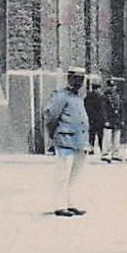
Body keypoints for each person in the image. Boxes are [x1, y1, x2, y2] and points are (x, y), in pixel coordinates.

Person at [45, 68, 90, 215]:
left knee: (75, 174)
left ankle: (71, 202)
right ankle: (59, 205)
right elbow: (51, 117)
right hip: (65, 139)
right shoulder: (61, 96)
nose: (78, 82)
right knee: (62, 174)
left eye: (81, 79)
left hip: (79, 141)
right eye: (75, 79)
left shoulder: (78, 97)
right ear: (69, 79)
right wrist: (54, 136)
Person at [102, 78, 124, 162]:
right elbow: (103, 109)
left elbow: (121, 108)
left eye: (113, 86)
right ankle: (106, 154)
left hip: (117, 119)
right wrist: (105, 120)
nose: (112, 88)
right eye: (110, 86)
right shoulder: (105, 96)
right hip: (109, 119)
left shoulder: (118, 96)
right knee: (107, 137)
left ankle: (116, 153)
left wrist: (122, 119)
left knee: (116, 137)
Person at [84, 78, 106, 156]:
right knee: (97, 135)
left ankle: (92, 149)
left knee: (93, 135)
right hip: (96, 119)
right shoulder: (99, 97)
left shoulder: (88, 97)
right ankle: (100, 149)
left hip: (93, 119)